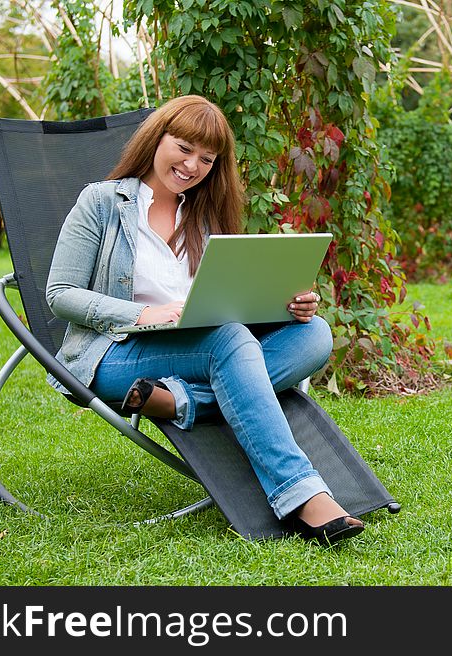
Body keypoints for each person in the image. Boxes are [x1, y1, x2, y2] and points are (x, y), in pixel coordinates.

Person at [45, 95, 364, 545]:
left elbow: (223, 299)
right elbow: (60, 294)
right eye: (184, 147)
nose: (192, 165)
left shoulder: (203, 216)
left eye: (207, 158)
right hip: (114, 354)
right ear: (157, 138)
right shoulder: (101, 202)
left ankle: (184, 402)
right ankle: (301, 494)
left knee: (313, 334)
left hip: (198, 346)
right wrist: (142, 312)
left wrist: (284, 306)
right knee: (229, 342)